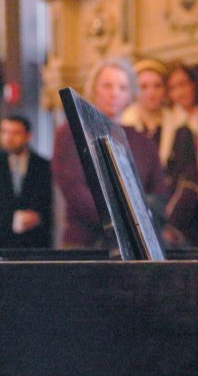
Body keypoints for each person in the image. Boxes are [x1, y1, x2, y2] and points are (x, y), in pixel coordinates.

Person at [52, 57, 165, 248]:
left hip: (136, 245)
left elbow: (158, 192)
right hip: (85, 243)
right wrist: (123, 221)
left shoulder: (142, 140)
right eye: (107, 85)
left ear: (130, 94)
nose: (114, 93)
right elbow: (75, 190)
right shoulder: (70, 132)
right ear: (94, 88)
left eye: (122, 87)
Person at [121, 58, 198, 246]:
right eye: (144, 86)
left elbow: (188, 181)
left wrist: (169, 225)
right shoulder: (122, 129)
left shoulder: (181, 129)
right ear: (134, 91)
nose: (151, 92)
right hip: (130, 223)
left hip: (172, 226)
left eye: (157, 86)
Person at [0, 115, 52, 249]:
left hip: (34, 243)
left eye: (15, 133)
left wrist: (38, 218)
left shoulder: (43, 165)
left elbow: (50, 204)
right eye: (4, 132)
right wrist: (10, 220)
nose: (9, 138)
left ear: (28, 136)